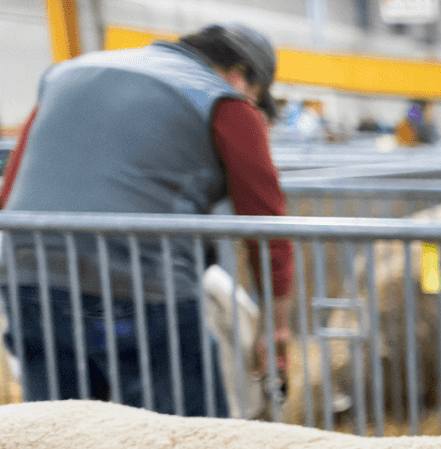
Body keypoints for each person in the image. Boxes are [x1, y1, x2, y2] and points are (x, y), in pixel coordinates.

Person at [0, 23, 294, 417]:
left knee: (58, 443)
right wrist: (276, 327)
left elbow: (12, 188)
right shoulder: (226, 102)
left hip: (29, 277)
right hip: (140, 288)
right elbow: (265, 222)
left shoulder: (68, 73)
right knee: (187, 444)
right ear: (241, 75)